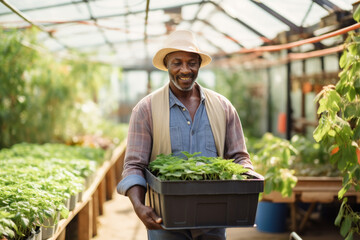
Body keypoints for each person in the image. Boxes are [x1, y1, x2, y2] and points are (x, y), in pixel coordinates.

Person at [117, 30, 254, 240]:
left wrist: (246, 178)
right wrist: (138, 206)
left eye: (191, 62)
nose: (185, 69)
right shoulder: (146, 110)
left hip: (214, 219)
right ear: (167, 65)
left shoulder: (223, 107)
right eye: (177, 63)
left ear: (199, 65)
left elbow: (240, 157)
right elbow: (134, 165)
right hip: (165, 221)